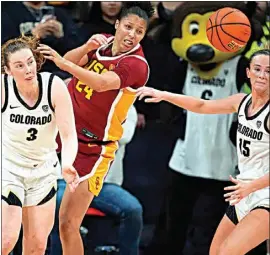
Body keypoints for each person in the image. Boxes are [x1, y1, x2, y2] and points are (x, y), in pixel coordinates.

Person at [37, 2, 154, 255]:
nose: (132, 35)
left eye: (139, 31)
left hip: (93, 149)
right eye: (128, 27)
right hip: (63, 133)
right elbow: (66, 61)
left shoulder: (137, 65)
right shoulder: (102, 44)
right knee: (51, 218)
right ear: (117, 25)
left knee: (68, 224)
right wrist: (87, 47)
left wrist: (66, 65)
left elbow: (102, 83)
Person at [137, 48, 269, 255]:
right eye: (258, 69)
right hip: (244, 193)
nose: (262, 75)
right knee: (215, 252)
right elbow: (201, 105)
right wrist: (163, 95)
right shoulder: (241, 101)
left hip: (264, 194)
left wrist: (252, 186)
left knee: (228, 252)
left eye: (268, 71)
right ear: (248, 73)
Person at [1, 35, 79, 255]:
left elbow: (69, 135)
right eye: (19, 65)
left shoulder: (54, 86)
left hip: (43, 171)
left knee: (37, 247)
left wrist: (67, 164)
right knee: (6, 239)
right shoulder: (3, 88)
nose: (27, 69)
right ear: (7, 70)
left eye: (30, 61)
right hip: (9, 169)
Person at [91, 105, 143, 255]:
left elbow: (117, 136)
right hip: (68, 181)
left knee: (133, 210)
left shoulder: (126, 106)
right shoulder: (71, 97)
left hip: (104, 184)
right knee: (57, 206)